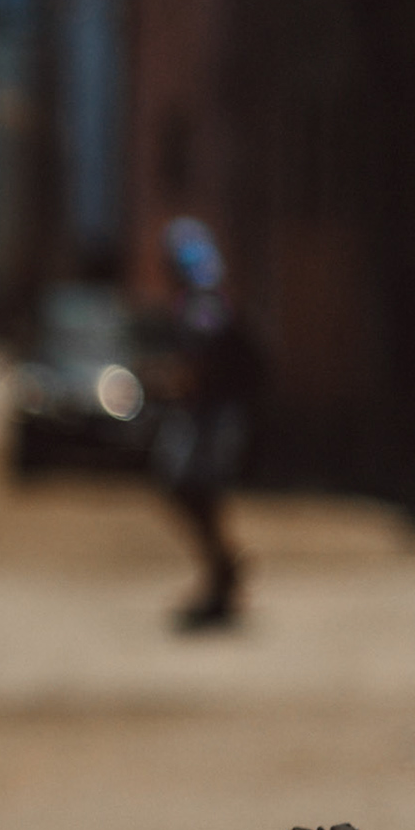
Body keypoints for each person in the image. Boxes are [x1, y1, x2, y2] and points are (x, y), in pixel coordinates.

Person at [150, 216, 261, 630]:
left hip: (211, 416)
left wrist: (173, 382)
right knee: (196, 493)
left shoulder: (202, 305)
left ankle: (224, 570)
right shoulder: (199, 302)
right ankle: (221, 572)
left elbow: (202, 363)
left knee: (190, 488)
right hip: (207, 414)